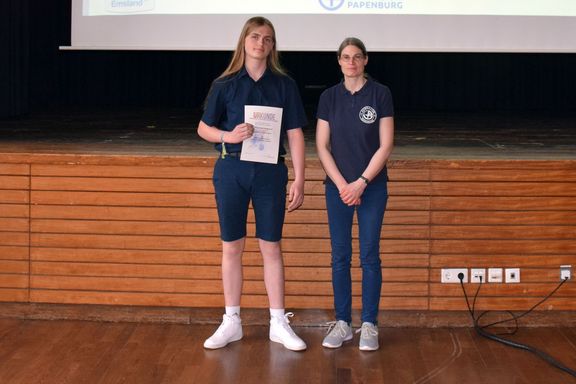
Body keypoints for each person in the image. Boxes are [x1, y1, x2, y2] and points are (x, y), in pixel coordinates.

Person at [197, 16, 307, 351]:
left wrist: (300, 177)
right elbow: (203, 129)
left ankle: (277, 322)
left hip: (270, 173)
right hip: (232, 170)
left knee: (270, 247)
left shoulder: (284, 85)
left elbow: (295, 133)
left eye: (268, 39)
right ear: (244, 40)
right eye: (255, 36)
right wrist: (227, 135)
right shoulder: (225, 83)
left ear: (273, 46)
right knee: (232, 246)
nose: (261, 43)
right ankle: (232, 321)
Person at [315, 37, 394, 351]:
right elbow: (322, 146)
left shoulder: (380, 94)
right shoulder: (329, 97)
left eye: (357, 57)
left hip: (372, 187)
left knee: (369, 256)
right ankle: (344, 323)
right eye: (345, 57)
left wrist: (361, 182)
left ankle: (370, 324)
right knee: (340, 257)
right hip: (337, 190)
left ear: (365, 60)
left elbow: (386, 145)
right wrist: (342, 185)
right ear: (338, 61)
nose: (351, 62)